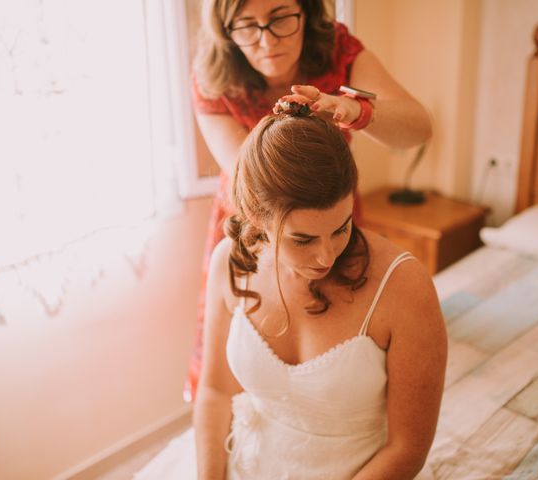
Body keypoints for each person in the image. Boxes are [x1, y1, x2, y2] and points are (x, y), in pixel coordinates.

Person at [185, 0, 433, 402]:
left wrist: (354, 110)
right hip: (255, 220)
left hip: (326, 214)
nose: (266, 41)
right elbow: (248, 179)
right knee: (240, 366)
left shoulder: (337, 50)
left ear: (306, 10)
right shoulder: (212, 77)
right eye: (246, 27)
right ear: (226, 31)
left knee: (336, 363)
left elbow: (417, 127)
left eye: (281, 18)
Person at [192, 105, 447, 479]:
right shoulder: (229, 263)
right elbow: (215, 392)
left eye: (342, 228)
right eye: (303, 239)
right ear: (258, 218)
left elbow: (406, 448)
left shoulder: (403, 286)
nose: (326, 255)